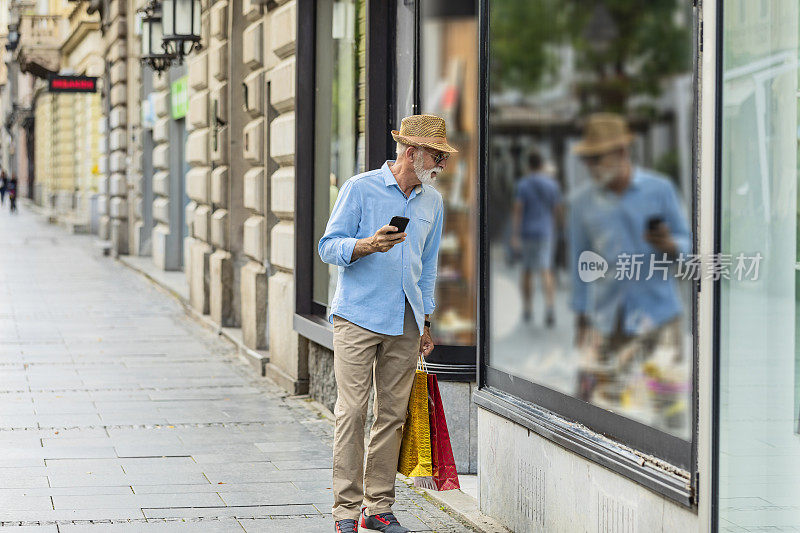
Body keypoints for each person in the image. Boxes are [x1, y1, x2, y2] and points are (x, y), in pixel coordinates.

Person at [318, 114, 453, 533]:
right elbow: (328, 246)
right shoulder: (360, 188)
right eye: (436, 156)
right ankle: (345, 512)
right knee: (353, 411)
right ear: (411, 152)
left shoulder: (432, 202)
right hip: (357, 317)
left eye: (443, 157)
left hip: (406, 320)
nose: (441, 165)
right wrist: (367, 245)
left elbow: (427, 267)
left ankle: (378, 507)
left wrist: (426, 321)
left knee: (392, 416)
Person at [569, 113, 690, 410]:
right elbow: (579, 267)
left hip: (659, 316)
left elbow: (689, 244)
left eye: (599, 158)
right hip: (609, 322)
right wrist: (582, 327)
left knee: (667, 407)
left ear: (622, 153)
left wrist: (671, 244)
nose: (593, 167)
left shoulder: (659, 189)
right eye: (589, 159)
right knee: (606, 411)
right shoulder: (582, 203)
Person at [511, 150, 562, 326]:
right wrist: (555, 227)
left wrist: (515, 234)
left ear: (529, 165)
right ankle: (549, 307)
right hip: (546, 232)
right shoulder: (552, 184)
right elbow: (557, 209)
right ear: (541, 164)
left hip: (527, 232)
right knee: (546, 269)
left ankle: (527, 308)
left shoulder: (523, 184)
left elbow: (518, 209)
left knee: (527, 271)